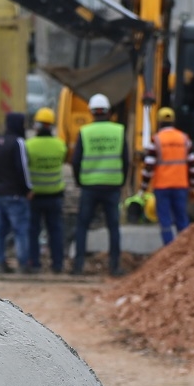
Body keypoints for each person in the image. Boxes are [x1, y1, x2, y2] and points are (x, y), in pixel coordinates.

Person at [70, 93, 127, 276]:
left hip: (89, 186)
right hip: (112, 186)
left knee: (83, 226)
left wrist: (80, 181)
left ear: (91, 112)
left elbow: (76, 161)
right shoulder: (118, 131)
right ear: (109, 111)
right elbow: (125, 160)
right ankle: (114, 266)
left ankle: (78, 266)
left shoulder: (85, 132)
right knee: (113, 227)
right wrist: (121, 181)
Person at [141, 106, 194, 246]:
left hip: (162, 187)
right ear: (173, 121)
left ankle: (169, 249)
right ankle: (184, 248)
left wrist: (143, 188)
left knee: (165, 220)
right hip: (181, 185)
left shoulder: (156, 140)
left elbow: (148, 167)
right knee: (182, 218)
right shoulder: (184, 139)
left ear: (159, 122)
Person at [0, 111, 31, 274]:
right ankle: (23, 264)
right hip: (15, 195)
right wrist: (28, 189)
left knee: (1, 230)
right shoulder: (18, 142)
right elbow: (23, 169)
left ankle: (0, 262)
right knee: (20, 230)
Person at [25, 106, 68, 273]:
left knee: (33, 231)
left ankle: (34, 264)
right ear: (51, 125)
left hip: (34, 196)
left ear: (37, 125)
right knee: (55, 232)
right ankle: (57, 265)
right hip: (55, 196)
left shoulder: (30, 146)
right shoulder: (60, 146)